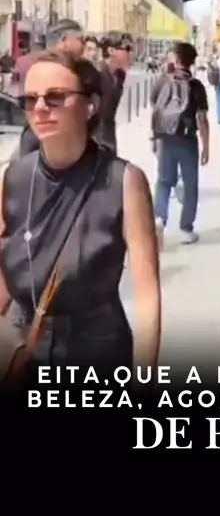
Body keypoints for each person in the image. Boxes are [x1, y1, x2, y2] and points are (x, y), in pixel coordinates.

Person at [0, 49, 160, 373]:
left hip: (95, 349)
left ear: (91, 105)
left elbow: (146, 294)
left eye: (55, 97)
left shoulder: (124, 181)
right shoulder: (14, 177)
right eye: (30, 100)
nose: (40, 108)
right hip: (22, 344)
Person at [151, 42, 209, 245]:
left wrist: (155, 137)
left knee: (164, 181)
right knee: (190, 184)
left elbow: (155, 109)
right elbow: (202, 119)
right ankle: (186, 228)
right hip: (187, 140)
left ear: (176, 60)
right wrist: (206, 146)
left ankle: (160, 219)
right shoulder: (196, 86)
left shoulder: (162, 81)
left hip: (165, 138)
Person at [17, 20, 85, 157]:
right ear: (64, 40)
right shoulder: (40, 66)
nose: (83, 45)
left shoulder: (80, 68)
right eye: (80, 40)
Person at [96, 32, 133, 154]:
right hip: (94, 138)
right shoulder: (96, 73)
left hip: (109, 135)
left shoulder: (120, 75)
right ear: (111, 50)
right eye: (127, 48)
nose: (130, 53)